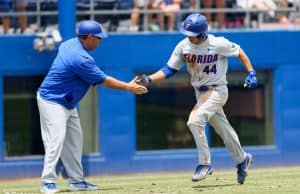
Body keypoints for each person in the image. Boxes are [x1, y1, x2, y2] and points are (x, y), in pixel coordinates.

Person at [137, 13, 257, 184]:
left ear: (202, 33)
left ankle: (204, 163)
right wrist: (149, 79)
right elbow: (170, 69)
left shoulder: (217, 43)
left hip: (217, 90)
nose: (188, 38)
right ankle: (242, 158)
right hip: (200, 93)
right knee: (223, 129)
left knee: (194, 120)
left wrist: (251, 72)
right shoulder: (184, 46)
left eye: (192, 35)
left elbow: (239, 51)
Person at [37, 20, 148, 194]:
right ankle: (48, 182)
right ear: (89, 37)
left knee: (74, 142)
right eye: (98, 38)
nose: (100, 41)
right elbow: (105, 80)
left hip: (67, 102)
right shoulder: (80, 58)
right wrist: (128, 87)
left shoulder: (69, 44)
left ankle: (76, 181)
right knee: (55, 140)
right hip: (52, 100)